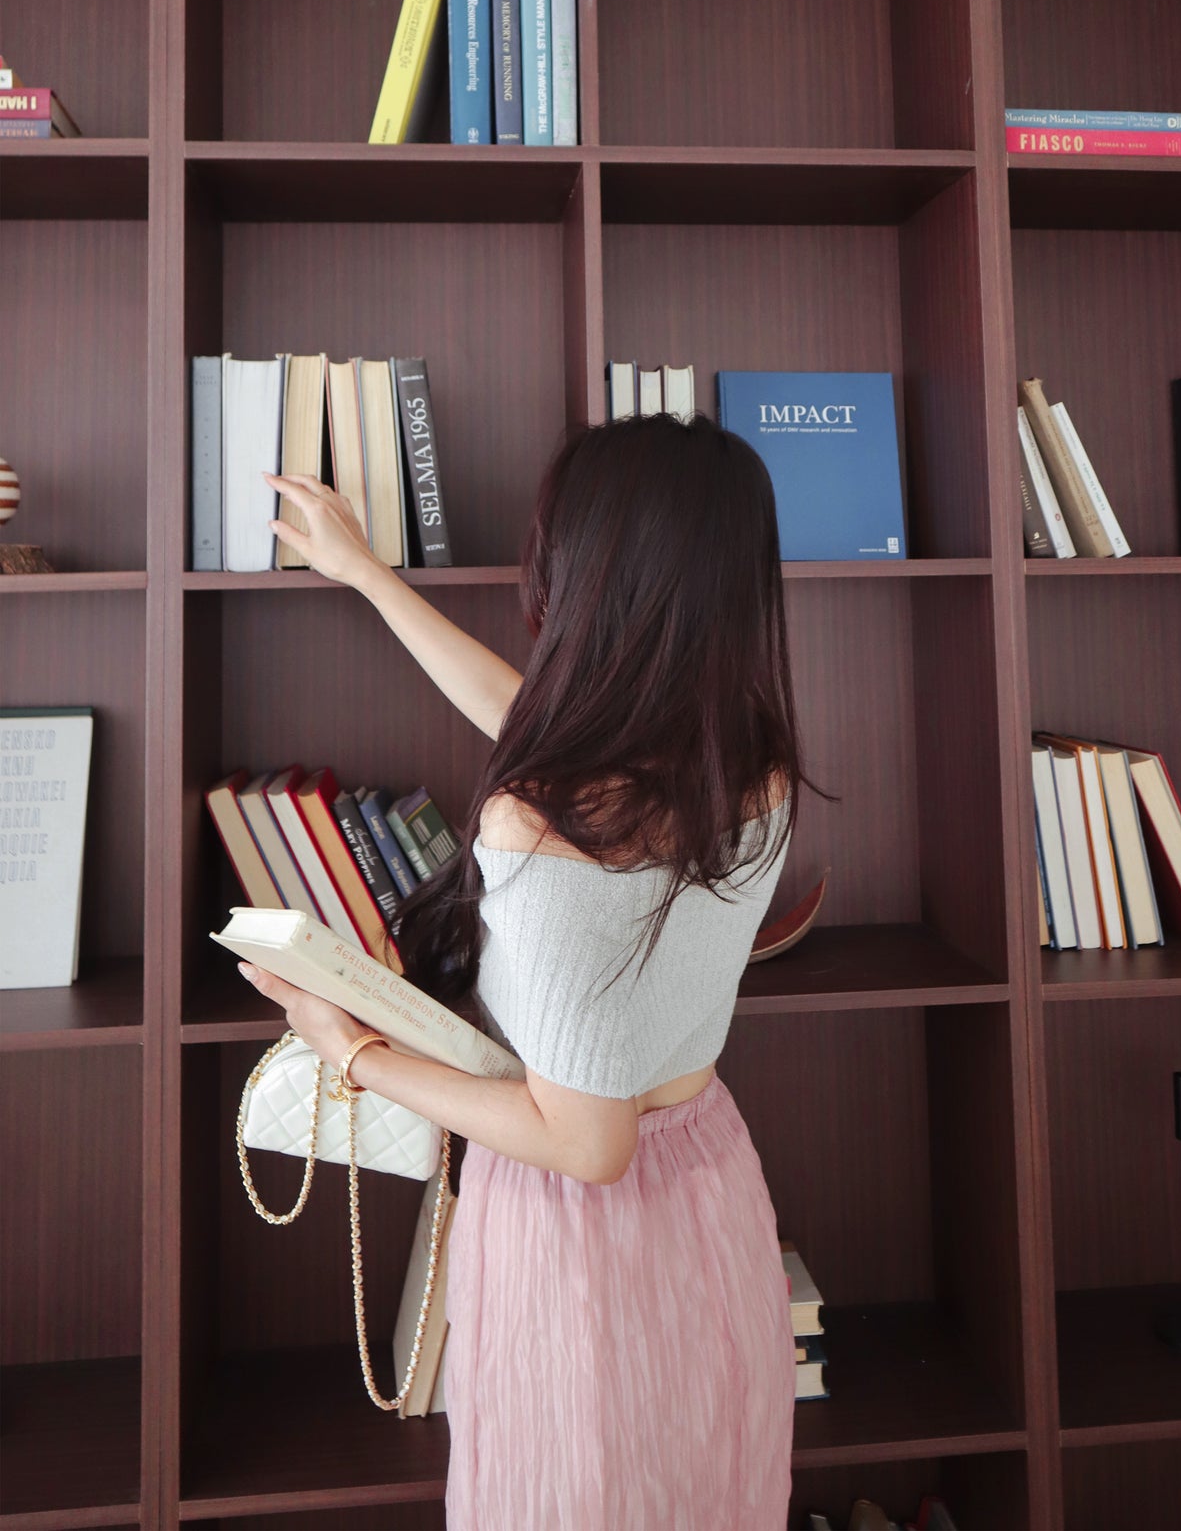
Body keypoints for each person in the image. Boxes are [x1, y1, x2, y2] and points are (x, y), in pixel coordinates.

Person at [243, 412, 815, 1529]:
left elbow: (583, 1143)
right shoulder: (751, 769)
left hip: (577, 1244)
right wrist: (365, 573)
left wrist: (348, 1046)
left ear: (587, 575)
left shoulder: (540, 832)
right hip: (708, 1188)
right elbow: (542, 726)